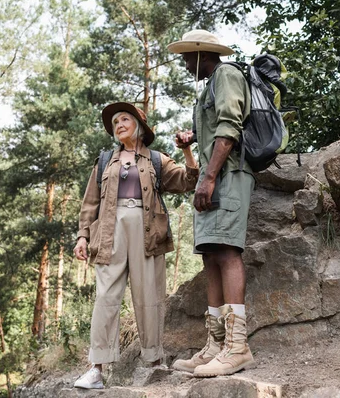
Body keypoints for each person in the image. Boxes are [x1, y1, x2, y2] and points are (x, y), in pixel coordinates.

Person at [73, 102, 198, 389]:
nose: (118, 123)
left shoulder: (156, 160)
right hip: (108, 231)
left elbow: (187, 181)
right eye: (115, 121)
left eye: (124, 118)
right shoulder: (104, 161)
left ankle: (155, 361)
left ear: (140, 126)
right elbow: (90, 202)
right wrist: (83, 236)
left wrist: (187, 151)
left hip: (148, 230)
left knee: (150, 295)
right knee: (105, 297)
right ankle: (96, 369)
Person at [167, 30, 256, 377]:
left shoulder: (227, 75)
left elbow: (230, 127)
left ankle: (238, 347)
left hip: (228, 175)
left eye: (188, 55)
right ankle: (216, 345)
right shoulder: (208, 87)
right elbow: (214, 128)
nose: (184, 62)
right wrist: (192, 140)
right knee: (210, 255)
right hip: (214, 176)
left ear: (203, 53)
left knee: (228, 251)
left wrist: (208, 177)